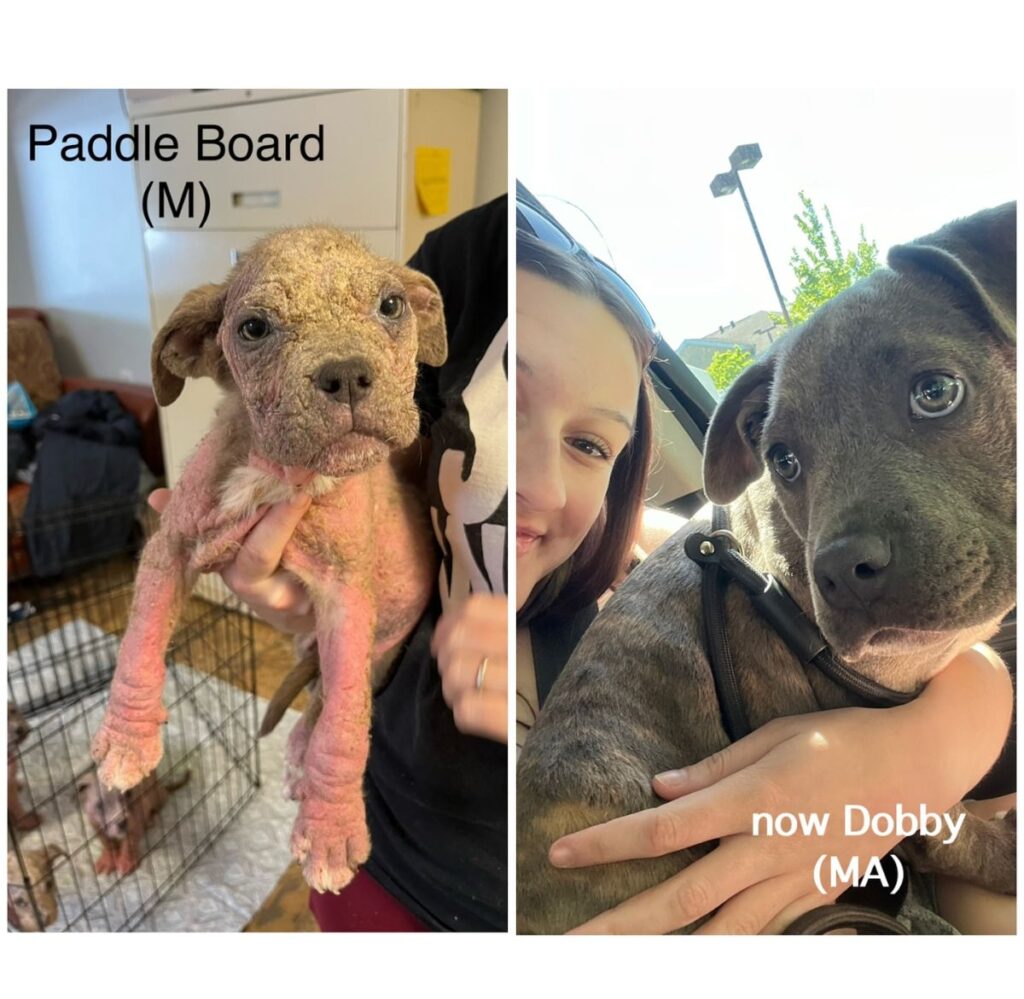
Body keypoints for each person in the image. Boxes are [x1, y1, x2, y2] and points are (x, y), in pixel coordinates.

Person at [514, 212, 1015, 934]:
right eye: (789, 460)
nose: (537, 485)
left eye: (934, 394)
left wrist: (943, 731)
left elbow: (874, 766)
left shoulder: (670, 563)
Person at [153, 196, 509, 932]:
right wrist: (305, 602)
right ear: (199, 347)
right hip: (390, 812)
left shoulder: (441, 289)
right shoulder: (469, 255)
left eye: (386, 311)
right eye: (254, 328)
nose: (348, 368)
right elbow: (392, 485)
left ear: (416, 313)